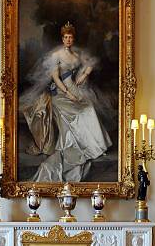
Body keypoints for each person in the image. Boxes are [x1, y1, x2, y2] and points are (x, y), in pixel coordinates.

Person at [20, 22, 111, 182]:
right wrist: (68, 93)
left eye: (70, 37)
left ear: (73, 39)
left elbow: (89, 65)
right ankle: (82, 147)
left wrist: (84, 75)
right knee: (77, 113)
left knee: (89, 109)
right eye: (66, 37)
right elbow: (55, 77)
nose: (68, 40)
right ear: (62, 39)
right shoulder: (57, 56)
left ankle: (94, 146)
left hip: (76, 89)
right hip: (61, 93)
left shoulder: (76, 55)